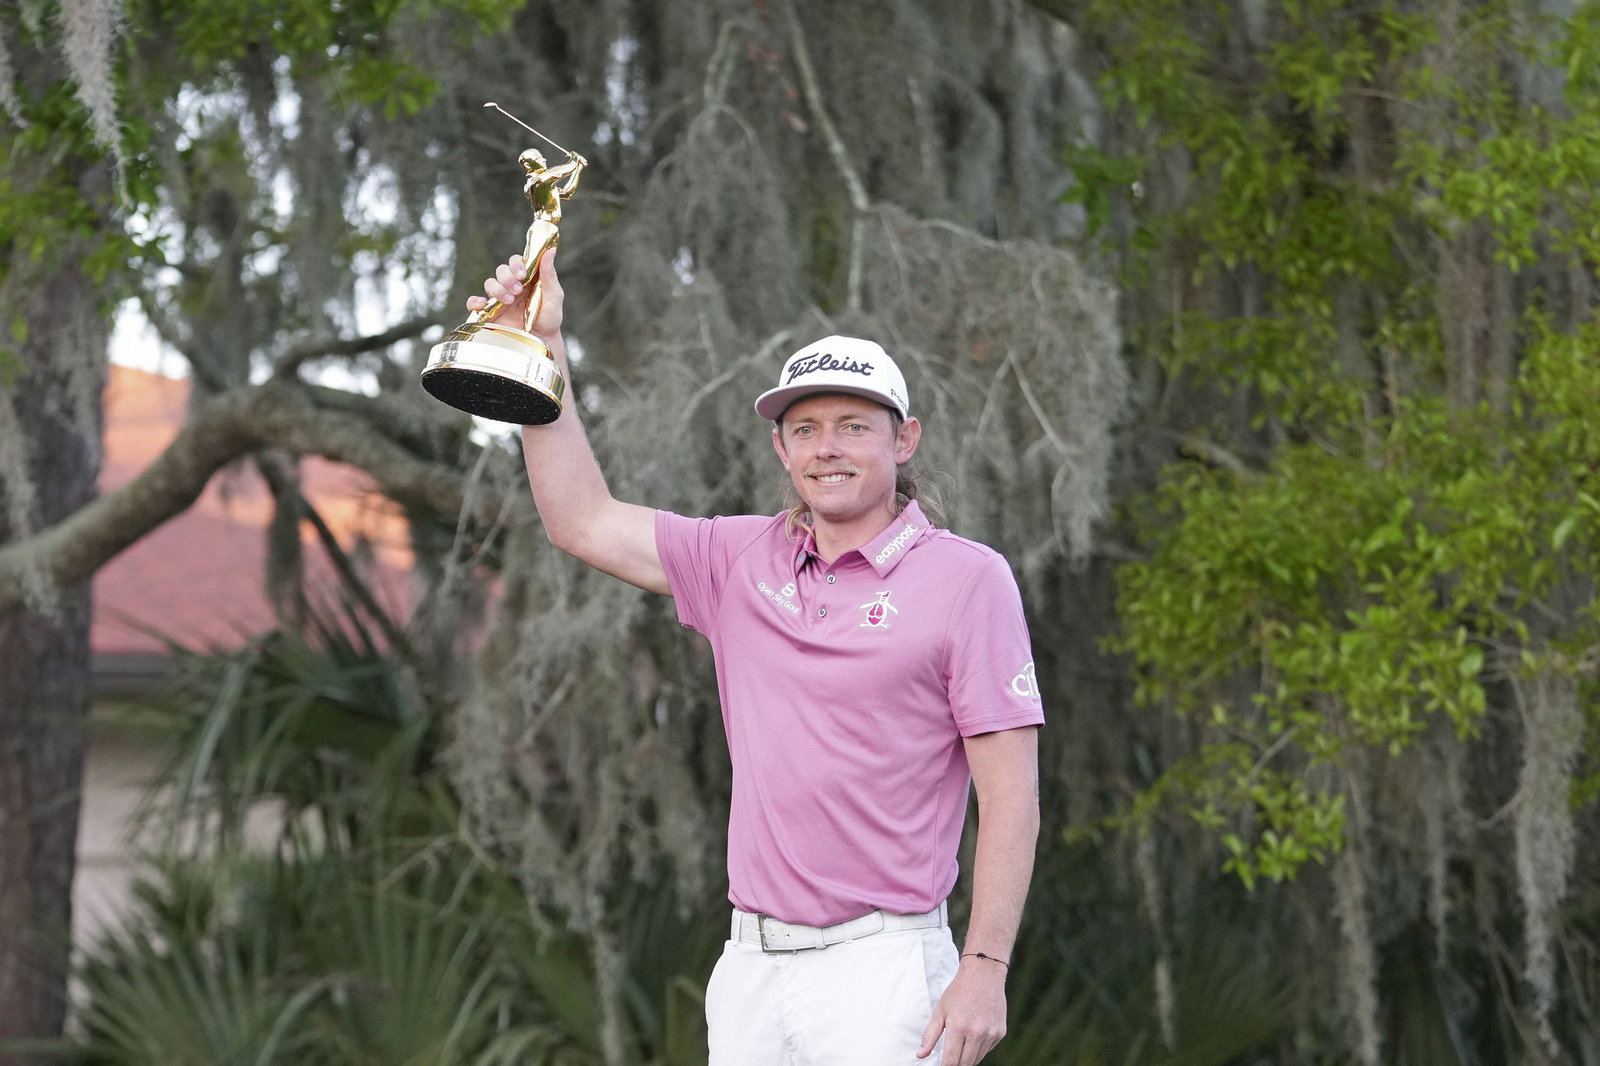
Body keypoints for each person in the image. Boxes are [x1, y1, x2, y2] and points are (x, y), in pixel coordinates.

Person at [467, 250, 1044, 1066]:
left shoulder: (968, 579)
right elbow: (581, 520)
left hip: (885, 967)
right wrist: (543, 347)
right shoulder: (741, 557)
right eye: (805, 429)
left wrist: (985, 966)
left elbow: (1012, 798)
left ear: (904, 439)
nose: (827, 448)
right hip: (749, 969)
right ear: (781, 449)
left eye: (854, 426)